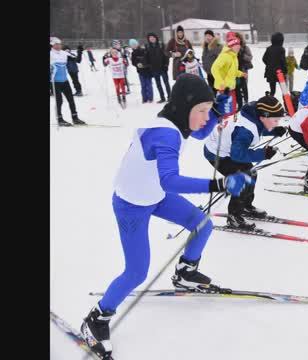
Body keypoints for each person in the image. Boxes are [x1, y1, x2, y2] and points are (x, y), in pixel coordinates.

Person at [80, 74, 253, 359]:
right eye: (201, 111)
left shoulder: (174, 120)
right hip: (132, 204)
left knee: (202, 224)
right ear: (185, 107)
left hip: (154, 196)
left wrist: (213, 112)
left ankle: (185, 272)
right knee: (136, 271)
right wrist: (219, 184)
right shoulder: (165, 133)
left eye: (206, 111)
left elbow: (196, 132)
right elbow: (170, 181)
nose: (204, 118)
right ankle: (97, 319)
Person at [203, 93, 287, 229]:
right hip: (216, 153)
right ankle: (234, 217)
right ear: (264, 116)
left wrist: (273, 130)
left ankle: (246, 206)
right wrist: (263, 154)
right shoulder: (245, 131)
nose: (277, 122)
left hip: (230, 149)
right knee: (243, 178)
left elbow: (258, 128)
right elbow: (238, 154)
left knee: (251, 172)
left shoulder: (254, 114)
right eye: (275, 120)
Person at [50, 37, 84, 126]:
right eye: (56, 44)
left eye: (59, 44)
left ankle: (75, 118)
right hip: (54, 82)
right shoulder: (50, 54)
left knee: (71, 100)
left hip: (65, 81)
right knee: (59, 101)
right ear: (52, 45)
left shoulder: (64, 53)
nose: (59, 45)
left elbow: (78, 60)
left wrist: (79, 51)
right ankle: (60, 119)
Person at [212, 35, 247, 115]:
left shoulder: (234, 57)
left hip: (230, 87)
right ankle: (222, 125)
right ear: (231, 46)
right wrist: (221, 82)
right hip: (223, 89)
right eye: (236, 45)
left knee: (231, 109)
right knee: (224, 110)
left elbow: (233, 71)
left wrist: (241, 74)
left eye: (239, 45)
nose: (239, 47)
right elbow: (214, 69)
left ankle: (229, 123)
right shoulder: (225, 56)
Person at [145, 33, 171, 103]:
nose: (151, 39)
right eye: (150, 38)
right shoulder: (147, 47)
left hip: (162, 68)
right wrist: (148, 66)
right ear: (148, 39)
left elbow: (166, 56)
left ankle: (170, 97)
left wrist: (166, 65)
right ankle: (162, 98)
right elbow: (146, 58)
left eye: (153, 37)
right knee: (158, 84)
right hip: (154, 69)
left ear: (156, 37)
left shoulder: (161, 45)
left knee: (166, 83)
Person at [262, 32, 287, 96]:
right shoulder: (281, 49)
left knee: (272, 91)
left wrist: (269, 64)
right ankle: (287, 104)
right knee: (284, 90)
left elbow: (264, 59)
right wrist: (285, 71)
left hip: (270, 72)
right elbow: (283, 61)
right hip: (280, 72)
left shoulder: (268, 49)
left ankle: (270, 102)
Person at [130, 39, 154, 104]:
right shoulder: (133, 53)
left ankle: (150, 98)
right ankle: (144, 98)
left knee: (149, 84)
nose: (134, 46)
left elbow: (149, 59)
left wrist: (145, 64)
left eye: (135, 44)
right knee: (143, 85)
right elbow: (133, 62)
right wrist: (137, 64)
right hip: (140, 71)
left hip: (148, 70)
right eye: (132, 45)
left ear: (137, 44)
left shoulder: (144, 50)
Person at [236, 32, 253, 109]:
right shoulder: (231, 48)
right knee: (237, 87)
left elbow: (250, 57)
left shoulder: (245, 47)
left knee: (244, 86)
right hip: (235, 71)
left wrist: (242, 55)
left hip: (243, 70)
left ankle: (246, 101)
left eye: (238, 38)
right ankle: (239, 103)